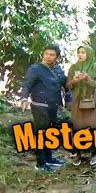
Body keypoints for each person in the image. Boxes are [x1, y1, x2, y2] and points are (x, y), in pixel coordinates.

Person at [20, 44, 67, 172]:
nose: (48, 57)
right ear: (43, 54)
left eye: (52, 55)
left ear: (56, 57)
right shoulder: (36, 69)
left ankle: (49, 158)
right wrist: (24, 98)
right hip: (39, 105)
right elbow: (27, 85)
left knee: (50, 133)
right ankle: (40, 163)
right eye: (46, 54)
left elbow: (65, 85)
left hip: (53, 106)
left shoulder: (58, 70)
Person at [67, 45, 96, 167]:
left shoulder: (95, 68)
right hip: (77, 100)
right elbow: (67, 86)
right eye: (79, 52)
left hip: (91, 99)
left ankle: (93, 154)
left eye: (83, 52)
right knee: (77, 127)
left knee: (93, 128)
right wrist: (74, 81)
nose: (80, 54)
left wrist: (87, 78)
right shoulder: (73, 67)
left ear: (89, 54)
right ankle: (78, 154)